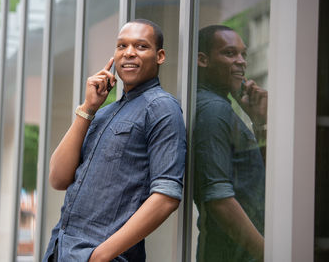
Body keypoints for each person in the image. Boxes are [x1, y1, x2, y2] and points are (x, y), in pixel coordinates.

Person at [43, 19, 186, 262]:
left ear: (160, 56)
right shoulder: (103, 113)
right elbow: (58, 177)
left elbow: (166, 196)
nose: (129, 53)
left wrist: (100, 256)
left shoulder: (161, 107)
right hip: (61, 251)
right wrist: (88, 108)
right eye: (122, 46)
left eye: (141, 46)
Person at [193, 25, 267, 262]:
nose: (241, 61)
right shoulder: (213, 110)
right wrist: (268, 254)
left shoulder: (218, 106)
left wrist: (259, 122)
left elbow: (256, 178)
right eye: (229, 53)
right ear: (202, 60)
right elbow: (218, 200)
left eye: (243, 54)